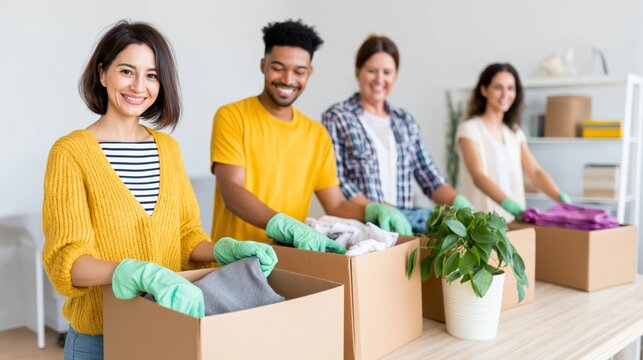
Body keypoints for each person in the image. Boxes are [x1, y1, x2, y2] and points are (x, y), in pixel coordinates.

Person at [42, 21, 276, 360]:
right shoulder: (71, 152)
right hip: (101, 338)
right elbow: (67, 260)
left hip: (166, 328)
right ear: (103, 73)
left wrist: (225, 250)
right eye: (127, 71)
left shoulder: (168, 148)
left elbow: (186, 236)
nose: (139, 86)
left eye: (152, 75)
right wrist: (132, 272)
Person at [210, 20, 412, 252]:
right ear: (263, 65)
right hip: (235, 260)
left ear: (309, 73)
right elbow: (232, 192)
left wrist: (372, 210)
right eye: (278, 67)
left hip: (291, 261)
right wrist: (281, 225)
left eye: (299, 71)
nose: (288, 79)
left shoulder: (316, 135)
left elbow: (335, 204)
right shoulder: (232, 117)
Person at [321, 35, 473, 233]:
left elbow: (429, 176)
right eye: (372, 71)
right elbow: (338, 182)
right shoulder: (337, 117)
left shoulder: (405, 121)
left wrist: (458, 201)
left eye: (387, 72)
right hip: (360, 229)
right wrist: (378, 211)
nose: (379, 79)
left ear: (395, 75)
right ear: (358, 72)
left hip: (402, 228)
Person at [456, 62, 570, 221]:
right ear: (484, 90)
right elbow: (478, 176)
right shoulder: (470, 129)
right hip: (480, 224)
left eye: (510, 88)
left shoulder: (514, 133)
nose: (505, 94)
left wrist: (560, 198)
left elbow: (535, 172)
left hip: (513, 221)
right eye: (498, 87)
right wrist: (509, 205)